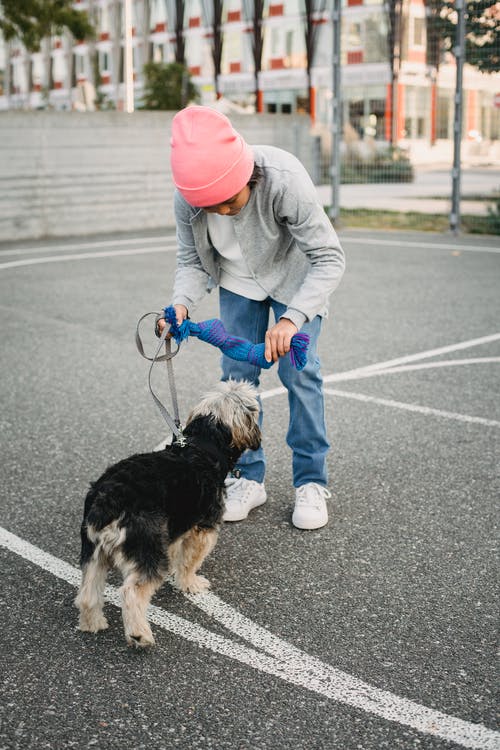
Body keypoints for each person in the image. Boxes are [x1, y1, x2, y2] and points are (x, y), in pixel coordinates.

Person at [159, 105, 345, 530]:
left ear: (246, 175)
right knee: (237, 377)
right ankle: (248, 475)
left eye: (229, 202)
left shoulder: (284, 178)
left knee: (301, 375)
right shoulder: (187, 198)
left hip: (295, 283)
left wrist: (293, 318)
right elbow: (191, 261)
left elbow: (329, 258)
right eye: (212, 207)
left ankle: (311, 481)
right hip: (238, 284)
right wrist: (182, 304)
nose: (222, 212)